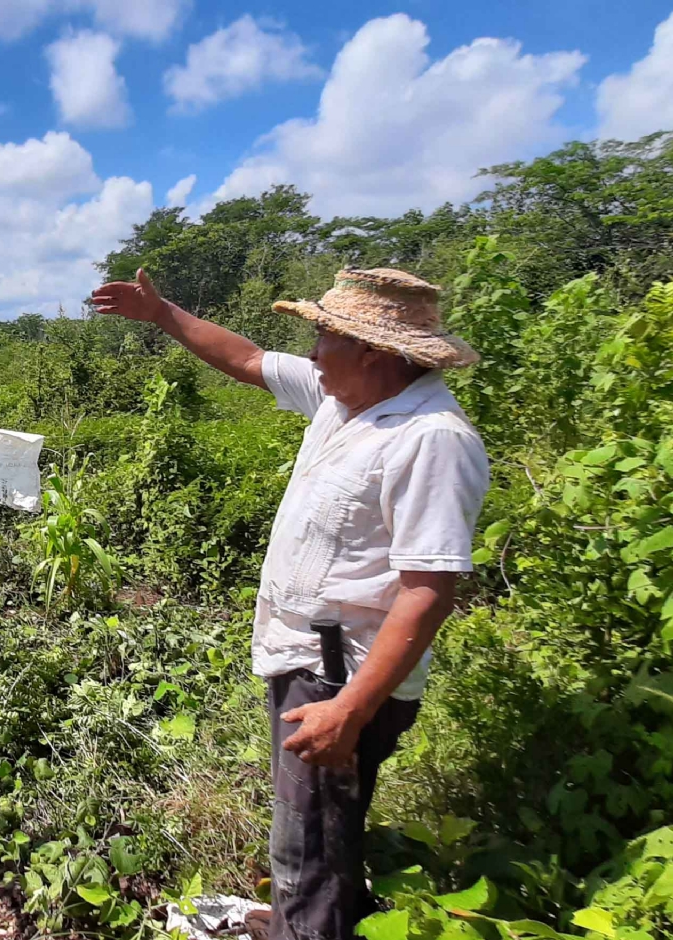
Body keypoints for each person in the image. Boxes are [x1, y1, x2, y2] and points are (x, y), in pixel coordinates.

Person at [90, 268, 489, 940]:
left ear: (372, 350)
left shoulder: (431, 439)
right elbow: (245, 358)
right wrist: (161, 313)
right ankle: (310, 918)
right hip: (305, 659)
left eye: (322, 336)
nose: (311, 351)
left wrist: (349, 709)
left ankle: (308, 926)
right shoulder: (346, 400)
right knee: (317, 829)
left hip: (343, 675)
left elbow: (428, 592)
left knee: (308, 848)